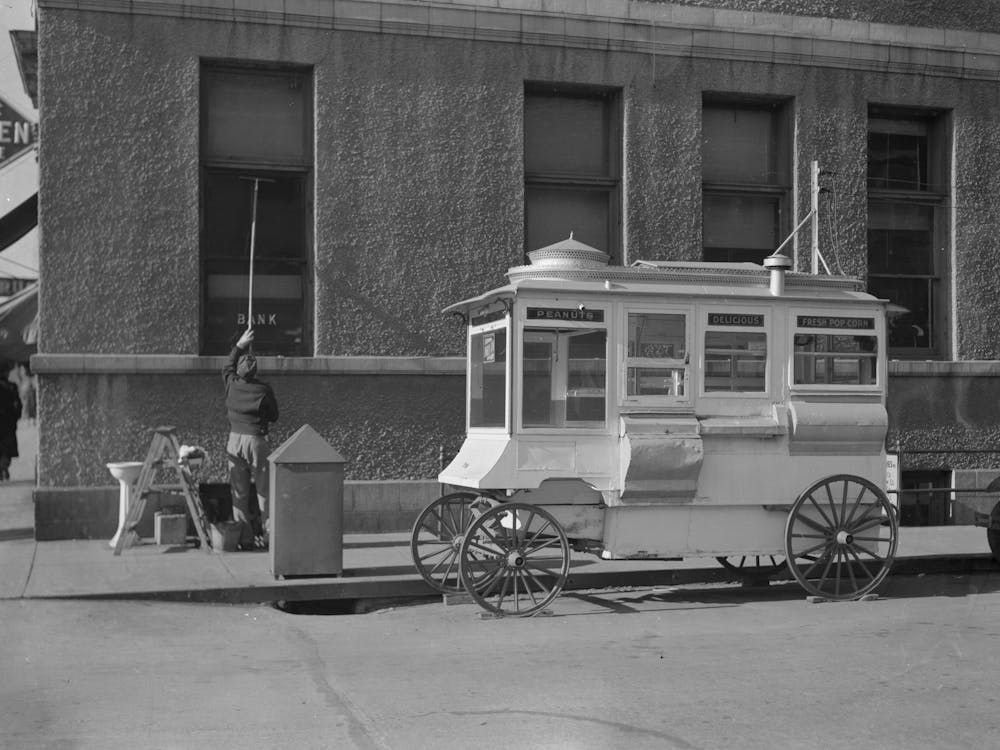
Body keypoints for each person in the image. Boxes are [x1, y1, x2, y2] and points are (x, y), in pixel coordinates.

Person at [222, 328, 279, 550]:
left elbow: (226, 365)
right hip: (257, 440)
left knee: (239, 492)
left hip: (234, 440)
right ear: (255, 371)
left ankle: (244, 538)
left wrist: (240, 344)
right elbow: (274, 416)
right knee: (264, 490)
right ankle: (269, 537)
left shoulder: (231, 383)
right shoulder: (263, 390)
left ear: (238, 371)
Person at [0, 362, 22, 481]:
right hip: (8, 422)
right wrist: (16, 416)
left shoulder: (11, 386)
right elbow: (18, 405)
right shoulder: (11, 387)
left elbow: (18, 405)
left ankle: (2, 468)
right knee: (7, 448)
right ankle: (3, 468)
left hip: (7, 421)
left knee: (5, 448)